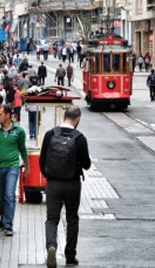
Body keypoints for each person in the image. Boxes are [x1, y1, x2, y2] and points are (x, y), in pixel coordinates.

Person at [41, 107, 92, 268]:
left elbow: (42, 161)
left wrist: (49, 176)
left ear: (64, 117)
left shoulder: (50, 134)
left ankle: (51, 246)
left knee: (52, 219)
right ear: (78, 119)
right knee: (72, 219)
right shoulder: (79, 138)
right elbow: (87, 165)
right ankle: (70, 257)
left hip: (53, 184)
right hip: (72, 184)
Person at [0, 104, 29, 237]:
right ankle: (3, 219)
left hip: (12, 167)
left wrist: (27, 166)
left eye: (0, 114)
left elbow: (23, 149)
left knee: (9, 195)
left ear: (8, 115)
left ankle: (8, 225)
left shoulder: (19, 131)